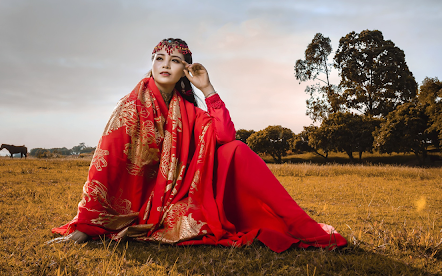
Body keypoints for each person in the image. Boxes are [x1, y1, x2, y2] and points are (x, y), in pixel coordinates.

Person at [51, 38, 347, 252]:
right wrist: (85, 228)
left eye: (175, 60)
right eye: (159, 58)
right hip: (146, 205)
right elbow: (105, 166)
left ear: (185, 70)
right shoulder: (131, 109)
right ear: (151, 64)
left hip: (186, 189)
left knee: (238, 150)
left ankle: (303, 226)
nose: (165, 64)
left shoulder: (188, 109)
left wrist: (206, 88)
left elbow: (225, 136)